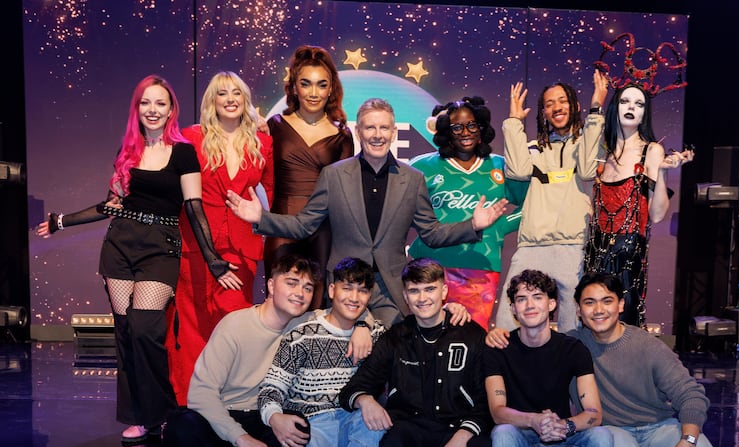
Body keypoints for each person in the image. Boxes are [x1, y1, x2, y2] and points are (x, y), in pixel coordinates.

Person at [35, 75, 233, 444]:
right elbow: (110, 206)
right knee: (126, 334)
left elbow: (194, 208)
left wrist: (214, 260)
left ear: (172, 109)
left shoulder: (184, 151)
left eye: (160, 103)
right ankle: (138, 418)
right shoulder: (128, 151)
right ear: (137, 109)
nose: (153, 110)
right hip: (120, 247)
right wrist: (61, 221)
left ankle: (162, 413)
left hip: (160, 248)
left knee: (145, 329)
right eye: (146, 103)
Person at [226, 98, 509, 326]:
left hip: (391, 291)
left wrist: (472, 225)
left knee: (389, 364)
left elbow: (432, 233)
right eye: (370, 128)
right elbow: (304, 225)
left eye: (384, 128)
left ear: (393, 132)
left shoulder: (412, 179)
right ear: (358, 131)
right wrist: (260, 218)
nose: (377, 135)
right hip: (345, 288)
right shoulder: (333, 175)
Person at [160, 255, 318, 447]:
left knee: (297, 425)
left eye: (307, 287)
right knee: (179, 426)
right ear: (270, 285)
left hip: (264, 421)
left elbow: (349, 309)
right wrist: (240, 437)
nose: (300, 293)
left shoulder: (304, 327)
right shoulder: (237, 325)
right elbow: (201, 393)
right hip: (222, 424)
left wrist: (363, 327)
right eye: (292, 283)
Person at [339, 258, 493, 447]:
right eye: (414, 291)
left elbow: (486, 401)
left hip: (455, 430)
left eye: (429, 289)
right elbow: (354, 388)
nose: (422, 298)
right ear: (406, 297)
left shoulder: (471, 335)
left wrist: (463, 435)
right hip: (409, 430)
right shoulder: (396, 337)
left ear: (444, 292)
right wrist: (366, 400)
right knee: (391, 444)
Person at [570, 272, 716, 447]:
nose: (599, 310)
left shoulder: (647, 346)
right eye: (589, 302)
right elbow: (529, 342)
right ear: (579, 310)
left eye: (607, 300)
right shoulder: (571, 345)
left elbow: (690, 393)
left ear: (621, 305)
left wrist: (689, 440)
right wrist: (497, 336)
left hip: (656, 429)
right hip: (611, 432)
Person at [166, 71, 274, 406]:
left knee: (233, 323)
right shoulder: (190, 138)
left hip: (242, 246)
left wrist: (260, 221)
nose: (229, 99)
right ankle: (189, 402)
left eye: (236, 94)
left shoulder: (263, 143)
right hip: (197, 244)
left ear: (245, 101)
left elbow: (268, 191)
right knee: (194, 323)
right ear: (212, 101)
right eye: (221, 94)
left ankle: (231, 400)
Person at [258, 257, 385, 447]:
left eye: (362, 291)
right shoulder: (302, 334)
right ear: (331, 290)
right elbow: (271, 387)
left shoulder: (377, 334)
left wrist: (363, 325)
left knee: (372, 419)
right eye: (347, 288)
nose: (354, 297)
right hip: (314, 421)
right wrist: (275, 417)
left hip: (353, 421)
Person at [485, 269, 612, 447]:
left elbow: (593, 413)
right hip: (520, 443)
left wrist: (564, 426)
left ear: (551, 304)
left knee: (602, 437)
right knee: (503, 434)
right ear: (513, 308)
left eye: (537, 297)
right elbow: (497, 412)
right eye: (522, 299)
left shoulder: (572, 349)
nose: (530, 305)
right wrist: (534, 421)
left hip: (562, 441)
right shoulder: (498, 349)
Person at [493, 70, 608, 336]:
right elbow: (518, 171)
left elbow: (589, 170)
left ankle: (571, 377)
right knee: (508, 322)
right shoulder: (534, 148)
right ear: (543, 112)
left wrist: (596, 111)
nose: (556, 107)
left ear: (575, 106)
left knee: (573, 328)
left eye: (563, 100)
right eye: (549, 103)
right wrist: (513, 121)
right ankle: (504, 375)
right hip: (532, 245)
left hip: (573, 246)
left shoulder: (587, 145)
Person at [407, 96, 526, 330]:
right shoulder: (421, 167)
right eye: (456, 127)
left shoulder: (501, 165)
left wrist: (500, 226)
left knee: (472, 339)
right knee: (428, 337)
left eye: (472, 125)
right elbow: (400, 212)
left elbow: (530, 205)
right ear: (445, 131)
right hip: (430, 267)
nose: (465, 132)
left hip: (480, 268)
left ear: (481, 127)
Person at [582, 83, 692, 327]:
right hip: (595, 249)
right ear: (615, 107)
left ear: (644, 113)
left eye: (639, 104)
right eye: (625, 101)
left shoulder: (651, 150)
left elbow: (657, 214)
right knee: (592, 318)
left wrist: (661, 173)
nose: (631, 107)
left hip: (629, 251)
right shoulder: (603, 150)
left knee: (624, 320)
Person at [265, 45, 354, 309]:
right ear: (294, 87)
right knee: (278, 304)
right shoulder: (274, 126)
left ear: (331, 89)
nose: (313, 93)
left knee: (315, 307)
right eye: (306, 84)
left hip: (322, 232)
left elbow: (344, 194)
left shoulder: (342, 135)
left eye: (321, 85)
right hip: (281, 225)